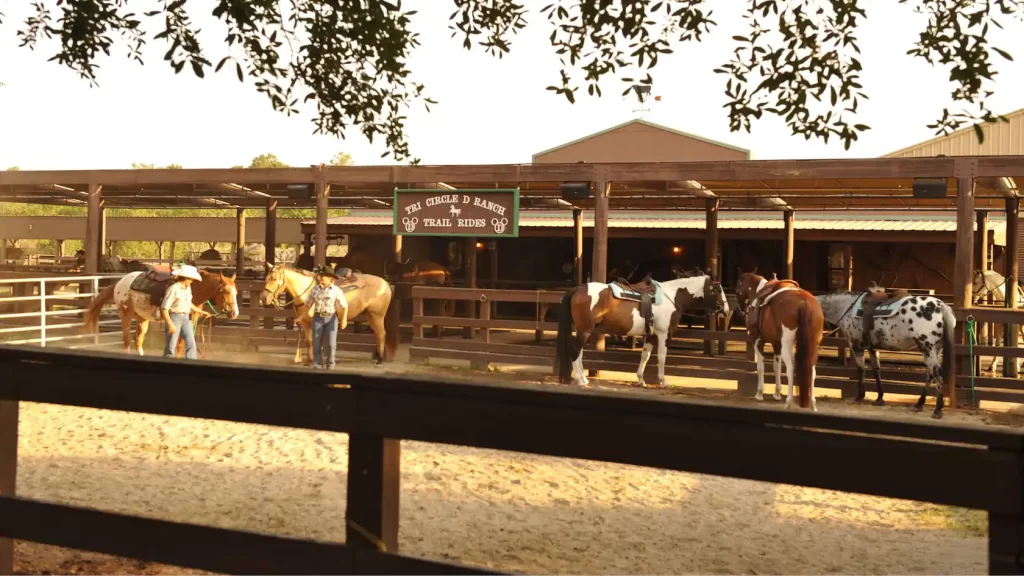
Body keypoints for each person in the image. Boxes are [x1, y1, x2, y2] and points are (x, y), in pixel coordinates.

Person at [160, 264, 212, 359]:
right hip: (174, 318)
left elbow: (188, 303)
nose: (192, 281)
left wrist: (200, 311)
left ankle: (192, 363)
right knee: (171, 346)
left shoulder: (187, 288)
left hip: (185, 318)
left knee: (191, 342)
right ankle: (167, 364)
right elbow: (164, 308)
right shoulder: (173, 289)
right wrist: (170, 324)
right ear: (186, 278)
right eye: (191, 279)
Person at [308, 265, 350, 369]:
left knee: (331, 344)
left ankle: (330, 365)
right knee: (316, 344)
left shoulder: (336, 290)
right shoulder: (314, 290)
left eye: (325, 276)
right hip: (317, 318)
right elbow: (308, 303)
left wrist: (344, 319)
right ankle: (318, 365)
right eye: (321, 276)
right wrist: (308, 311)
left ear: (330, 278)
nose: (322, 278)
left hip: (331, 318)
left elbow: (345, 305)